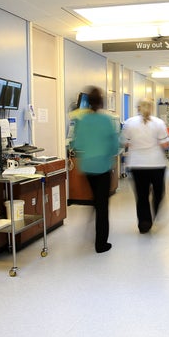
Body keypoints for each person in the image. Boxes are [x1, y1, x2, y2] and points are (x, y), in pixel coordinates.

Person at [71, 86, 120, 253]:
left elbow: (76, 144)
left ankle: (90, 225)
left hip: (87, 167)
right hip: (102, 167)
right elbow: (114, 145)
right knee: (102, 206)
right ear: (101, 102)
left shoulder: (82, 120)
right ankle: (101, 244)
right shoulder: (105, 120)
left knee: (97, 199)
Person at [121, 98, 169, 233]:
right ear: (151, 108)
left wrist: (136, 144)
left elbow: (124, 142)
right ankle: (154, 212)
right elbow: (165, 145)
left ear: (138, 108)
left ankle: (144, 224)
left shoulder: (129, 123)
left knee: (142, 196)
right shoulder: (159, 123)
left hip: (137, 165)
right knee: (158, 193)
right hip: (157, 165)